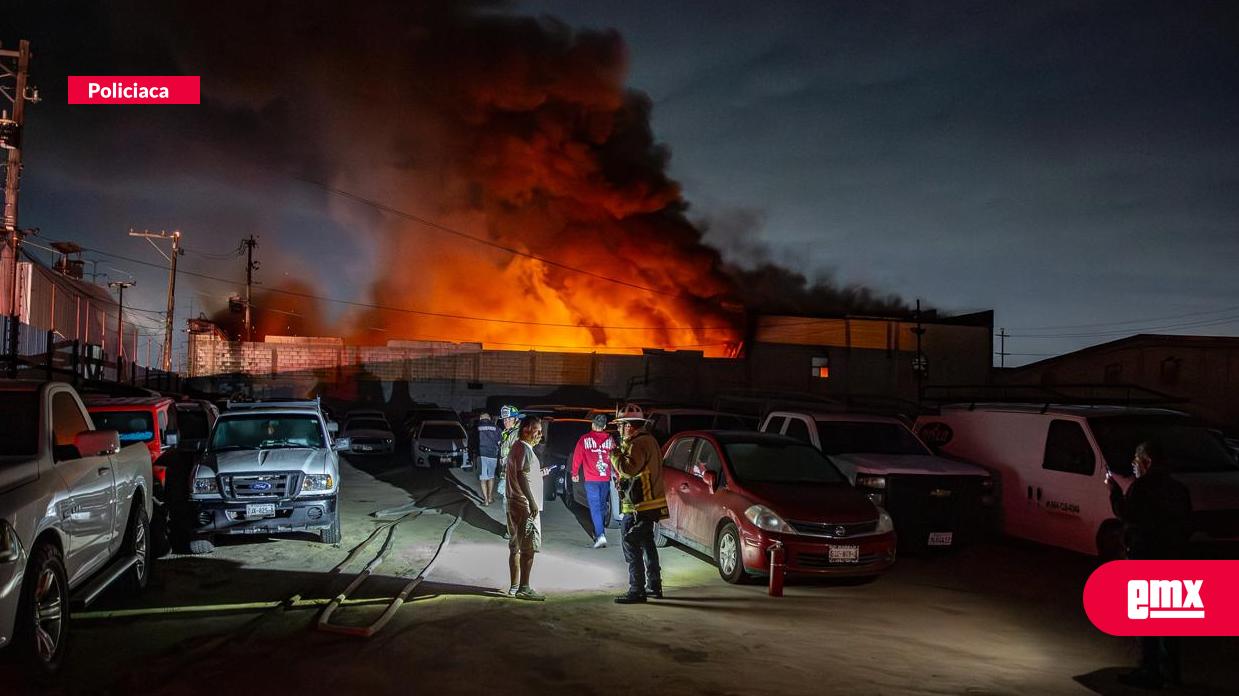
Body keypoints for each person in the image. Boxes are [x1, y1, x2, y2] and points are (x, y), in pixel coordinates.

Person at [1106, 439, 1193, 690]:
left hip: (1147, 557)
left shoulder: (1142, 487)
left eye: (1136, 460)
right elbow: (1187, 523)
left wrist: (1114, 491)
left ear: (1147, 461)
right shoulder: (1178, 489)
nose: (1134, 465)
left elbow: (1126, 513)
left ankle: (1150, 670)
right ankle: (1171, 673)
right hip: (1173, 559)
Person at [610, 405, 668, 604]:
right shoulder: (649, 441)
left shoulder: (638, 444)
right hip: (649, 505)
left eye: (620, 426)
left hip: (638, 506)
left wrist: (615, 455)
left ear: (628, 426)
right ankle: (654, 585)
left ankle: (637, 590)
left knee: (630, 542)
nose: (618, 430)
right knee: (647, 543)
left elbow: (628, 469)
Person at [504, 415, 546, 601]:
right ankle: (524, 587)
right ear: (527, 429)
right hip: (524, 506)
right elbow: (521, 475)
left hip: (514, 502)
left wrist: (539, 473)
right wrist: (532, 501)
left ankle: (514, 587)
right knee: (528, 549)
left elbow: (523, 473)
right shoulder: (524, 448)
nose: (540, 435)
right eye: (537, 430)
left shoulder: (517, 447)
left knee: (515, 546)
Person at [571, 414, 615, 548]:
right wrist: (618, 475)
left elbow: (577, 457)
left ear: (592, 424)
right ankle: (599, 531)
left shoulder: (584, 439)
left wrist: (574, 472)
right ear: (605, 426)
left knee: (595, 507)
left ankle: (600, 535)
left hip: (591, 479)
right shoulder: (610, 439)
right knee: (602, 506)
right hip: (605, 479)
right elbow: (615, 458)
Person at [475, 413, 501, 506]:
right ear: (489, 418)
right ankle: (490, 498)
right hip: (493, 455)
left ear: (480, 418)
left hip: (481, 455)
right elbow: (499, 442)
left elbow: (472, 442)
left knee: (483, 478)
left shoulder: (476, 427)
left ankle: (485, 500)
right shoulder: (496, 428)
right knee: (491, 476)